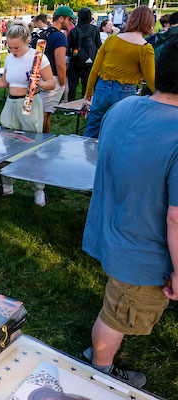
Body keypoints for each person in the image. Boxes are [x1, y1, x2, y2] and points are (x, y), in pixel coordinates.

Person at [81, 34, 178, 389]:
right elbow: (175, 218)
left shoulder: (122, 109)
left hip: (112, 232)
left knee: (118, 303)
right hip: (142, 254)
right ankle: (99, 371)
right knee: (118, 315)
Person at [0, 21, 56, 206]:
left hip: (29, 105)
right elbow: (4, 82)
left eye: (16, 47)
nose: (13, 51)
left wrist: (37, 83)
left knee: (31, 148)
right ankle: (8, 184)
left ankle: (38, 189)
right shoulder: (10, 58)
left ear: (27, 41)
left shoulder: (38, 57)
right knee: (6, 146)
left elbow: (51, 83)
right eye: (9, 47)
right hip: (10, 105)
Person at [83, 6, 155, 138]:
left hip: (102, 88)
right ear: (149, 23)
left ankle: (85, 157)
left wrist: (88, 91)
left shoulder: (112, 39)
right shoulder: (145, 48)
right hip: (125, 92)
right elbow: (150, 79)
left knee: (92, 128)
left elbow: (95, 69)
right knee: (119, 132)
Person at [40, 6, 73, 133]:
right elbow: (60, 63)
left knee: (42, 112)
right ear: (61, 19)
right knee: (45, 114)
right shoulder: (60, 37)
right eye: (69, 19)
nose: (70, 23)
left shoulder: (44, 33)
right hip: (53, 78)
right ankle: (43, 141)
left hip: (41, 76)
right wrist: (63, 82)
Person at [67, 8, 102, 101]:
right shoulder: (95, 29)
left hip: (76, 60)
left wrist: (73, 53)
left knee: (73, 83)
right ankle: (85, 103)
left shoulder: (74, 31)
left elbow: (68, 48)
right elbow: (99, 45)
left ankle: (71, 103)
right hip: (91, 60)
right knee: (87, 83)